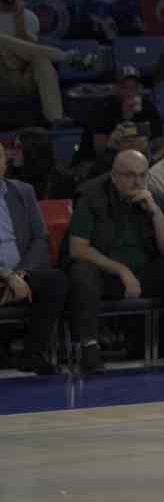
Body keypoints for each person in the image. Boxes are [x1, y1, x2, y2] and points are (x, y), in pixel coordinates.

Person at [67, 150, 164, 373]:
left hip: (144, 274)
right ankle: (89, 347)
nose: (137, 181)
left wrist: (155, 212)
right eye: (130, 175)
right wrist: (121, 270)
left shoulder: (154, 196)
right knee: (82, 271)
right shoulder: (91, 195)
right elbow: (77, 249)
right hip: (105, 275)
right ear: (114, 176)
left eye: (142, 175)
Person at [0, 140, 68, 374]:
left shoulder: (22, 191)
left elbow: (41, 238)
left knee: (55, 280)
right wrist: (7, 275)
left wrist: (23, 272)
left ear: (5, 163)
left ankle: (33, 353)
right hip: (4, 274)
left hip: (21, 273)